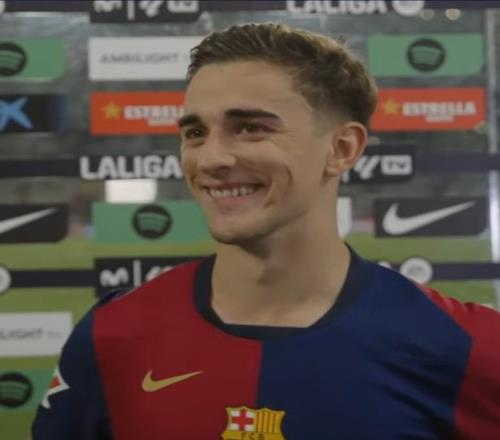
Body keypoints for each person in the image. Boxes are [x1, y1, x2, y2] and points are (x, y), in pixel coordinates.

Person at [33, 23, 500, 439]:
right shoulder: (113, 334)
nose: (211, 158)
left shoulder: (469, 349)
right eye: (195, 133)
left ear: (342, 148)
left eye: (251, 128)